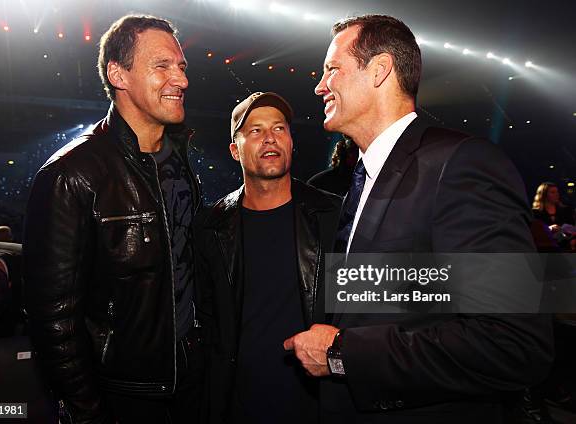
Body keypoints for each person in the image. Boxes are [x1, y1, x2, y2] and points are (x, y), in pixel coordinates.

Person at [284, 14, 554, 423]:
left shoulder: (461, 164)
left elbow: (513, 341)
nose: (320, 86)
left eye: (332, 70)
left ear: (379, 71)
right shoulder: (360, 179)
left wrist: (343, 354)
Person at [23, 14, 203, 424]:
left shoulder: (180, 160)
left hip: (191, 383)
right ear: (118, 74)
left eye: (181, 67)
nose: (181, 79)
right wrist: (88, 410)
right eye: (162, 66)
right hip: (122, 395)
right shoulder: (71, 174)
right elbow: (53, 317)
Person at [194, 92, 341, 423]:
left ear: (291, 142)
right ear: (235, 150)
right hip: (238, 405)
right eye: (256, 131)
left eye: (279, 128)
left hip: (317, 403)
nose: (270, 138)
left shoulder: (333, 215)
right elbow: (207, 320)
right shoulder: (210, 226)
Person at [532, 182, 575, 250]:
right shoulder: (535, 212)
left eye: (557, 192)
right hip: (545, 249)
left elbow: (572, 227)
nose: (557, 194)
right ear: (544, 195)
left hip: (565, 247)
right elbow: (534, 232)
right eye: (553, 192)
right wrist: (548, 229)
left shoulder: (565, 210)